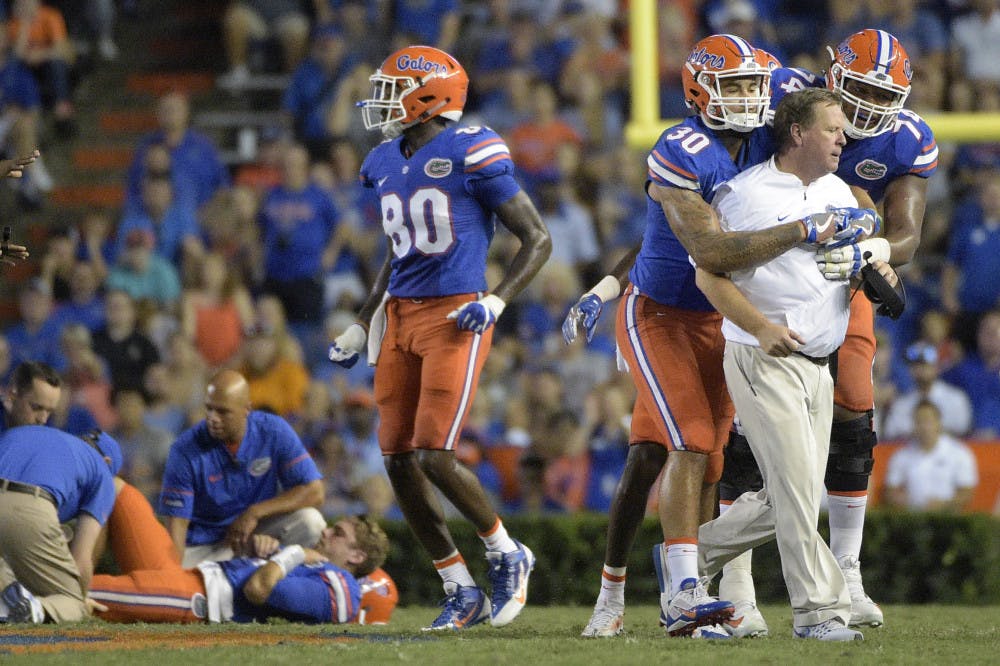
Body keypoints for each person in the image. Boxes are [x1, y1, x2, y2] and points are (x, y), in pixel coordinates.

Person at [562, 37, 859, 639]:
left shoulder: (770, 136)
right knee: (688, 444)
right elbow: (702, 250)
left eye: (756, 85)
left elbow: (825, 119)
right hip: (661, 314)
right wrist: (805, 229)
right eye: (737, 85)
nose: (750, 97)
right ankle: (671, 593)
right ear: (700, 90)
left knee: (698, 455)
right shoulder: (683, 147)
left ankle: (683, 594)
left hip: (721, 320)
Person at [327, 45, 551, 631]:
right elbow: (397, 253)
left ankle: (506, 550)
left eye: (392, 89)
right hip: (400, 314)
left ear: (427, 96)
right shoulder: (382, 159)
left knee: (434, 452)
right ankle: (459, 585)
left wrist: (496, 299)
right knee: (398, 458)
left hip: (455, 313)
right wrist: (363, 318)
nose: (381, 103)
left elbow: (537, 239)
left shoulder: (470, 147)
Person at [720, 29, 939, 630]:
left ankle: (846, 571)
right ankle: (733, 583)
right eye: (859, 91)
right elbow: (730, 179)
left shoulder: (911, 137)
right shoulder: (784, 99)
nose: (867, 109)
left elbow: (908, 235)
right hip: (764, 276)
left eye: (880, 94)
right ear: (832, 77)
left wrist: (870, 247)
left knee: (854, 411)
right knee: (742, 433)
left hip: (840, 280)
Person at [694, 86, 894, 642]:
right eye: (833, 128)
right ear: (799, 132)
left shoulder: (840, 192)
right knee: (799, 493)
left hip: (818, 363)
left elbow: (849, 262)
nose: (844, 137)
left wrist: (873, 273)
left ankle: (686, 560)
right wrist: (758, 327)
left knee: (794, 491)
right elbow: (708, 272)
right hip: (763, 357)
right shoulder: (744, 194)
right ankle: (818, 613)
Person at [90, 475, 392, 625]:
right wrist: (265, 552)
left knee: (82, 591)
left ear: (356, 557)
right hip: (191, 575)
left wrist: (294, 553)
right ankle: (78, 562)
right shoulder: (319, 570)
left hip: (197, 598)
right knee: (116, 488)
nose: (326, 531)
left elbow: (258, 589)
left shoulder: (343, 587)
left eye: (338, 533)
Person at [158, 369, 326, 568]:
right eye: (209, 409)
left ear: (246, 409)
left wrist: (255, 512)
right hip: (204, 547)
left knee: (311, 522)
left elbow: (315, 492)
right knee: (173, 568)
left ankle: (282, 581)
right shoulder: (184, 450)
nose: (212, 418)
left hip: (255, 536)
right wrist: (173, 578)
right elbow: (177, 525)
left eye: (222, 411)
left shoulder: (273, 431)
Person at [0, 425, 122, 623]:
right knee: (72, 602)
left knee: (8, 578)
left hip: (18, 516)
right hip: (28, 507)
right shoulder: (102, 472)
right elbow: (81, 560)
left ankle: (8, 603)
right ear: (107, 462)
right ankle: (30, 609)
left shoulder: (31, 433)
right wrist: (81, 598)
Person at [883, 400, 978, 512]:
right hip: (912, 518)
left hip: (949, 518)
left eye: (928, 421)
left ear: (939, 422)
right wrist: (906, 502)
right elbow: (890, 491)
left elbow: (967, 492)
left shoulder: (959, 453)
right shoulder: (901, 456)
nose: (924, 427)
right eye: (919, 421)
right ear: (913, 425)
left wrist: (944, 504)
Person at [881, 342, 972, 440]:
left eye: (924, 365)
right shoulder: (901, 404)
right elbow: (891, 434)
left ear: (936, 367)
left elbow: (964, 432)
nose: (920, 370)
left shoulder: (956, 399)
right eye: (915, 366)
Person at [1, 359, 61, 429]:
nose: (43, 420)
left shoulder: (49, 428)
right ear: (12, 396)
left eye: (49, 411)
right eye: (36, 408)